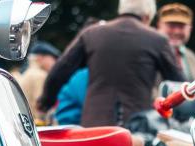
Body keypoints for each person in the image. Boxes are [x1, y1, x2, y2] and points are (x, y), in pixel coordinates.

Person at [38, 0, 184, 127]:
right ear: (147, 16)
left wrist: (45, 102)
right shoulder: (158, 40)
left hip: (94, 126)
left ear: (121, 10)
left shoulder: (91, 34)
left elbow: (59, 72)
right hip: (138, 127)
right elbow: (179, 85)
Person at [17, 41, 60, 123]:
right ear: (40, 58)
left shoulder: (27, 74)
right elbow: (42, 109)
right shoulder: (40, 76)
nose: (55, 63)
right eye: (53, 58)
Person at [156, 3, 195, 79]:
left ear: (190, 29)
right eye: (171, 25)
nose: (176, 32)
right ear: (159, 26)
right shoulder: (149, 52)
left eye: (181, 26)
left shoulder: (192, 57)